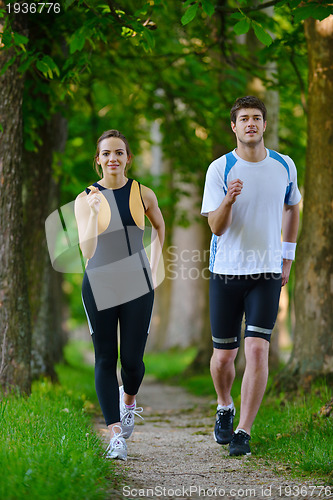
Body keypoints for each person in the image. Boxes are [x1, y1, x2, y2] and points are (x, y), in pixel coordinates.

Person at [201, 96, 301, 456]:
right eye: (244, 119)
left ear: (264, 123)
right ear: (234, 126)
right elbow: (216, 226)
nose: (251, 124)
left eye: (256, 118)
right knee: (224, 357)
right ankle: (224, 404)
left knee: (258, 349)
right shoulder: (220, 168)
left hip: (267, 273)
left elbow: (293, 207)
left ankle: (243, 431)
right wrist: (227, 200)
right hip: (226, 272)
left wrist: (286, 259)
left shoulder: (283, 165)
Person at [75, 129, 165, 461]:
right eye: (106, 153)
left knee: (132, 361)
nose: (113, 158)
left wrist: (155, 268)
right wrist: (95, 214)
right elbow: (87, 249)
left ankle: (129, 400)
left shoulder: (144, 194)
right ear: (98, 160)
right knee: (104, 358)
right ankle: (115, 435)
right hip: (99, 283)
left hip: (137, 284)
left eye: (119, 153)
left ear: (128, 158)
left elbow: (160, 226)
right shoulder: (85, 198)